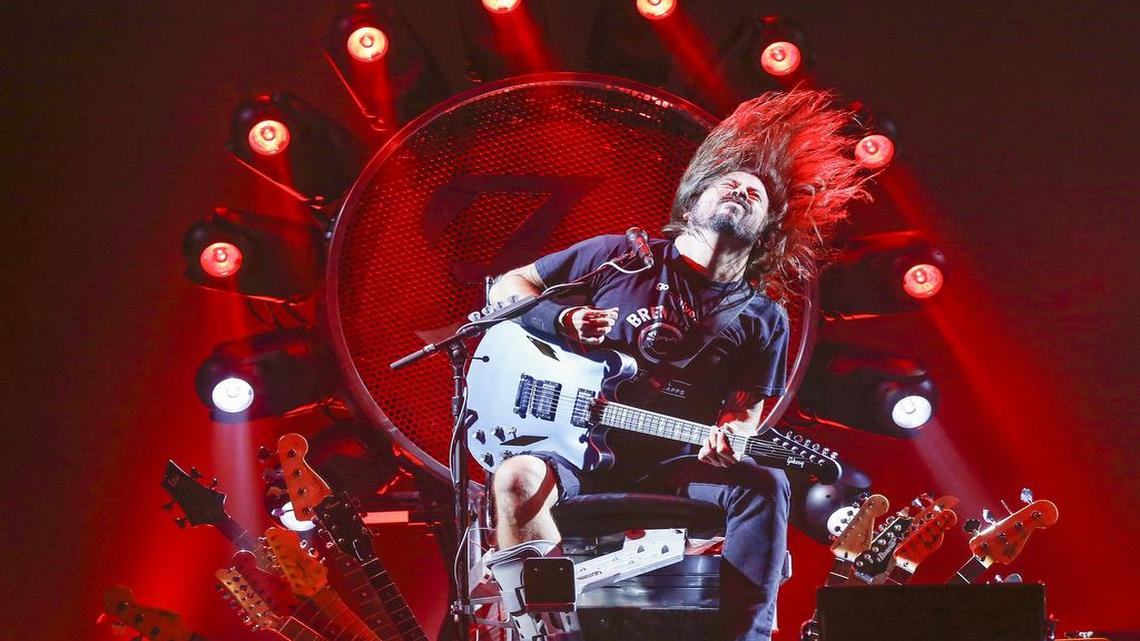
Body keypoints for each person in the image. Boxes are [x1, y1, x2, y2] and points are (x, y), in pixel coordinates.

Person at [485, 89, 868, 641]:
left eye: (755, 194)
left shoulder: (765, 318)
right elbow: (509, 286)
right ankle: (545, 633)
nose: (741, 190)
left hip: (671, 465)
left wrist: (732, 436)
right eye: (729, 183)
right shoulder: (617, 256)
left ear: (764, 232)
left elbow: (745, 412)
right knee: (515, 478)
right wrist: (562, 320)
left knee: (765, 478)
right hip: (568, 452)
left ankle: (747, 637)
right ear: (690, 206)